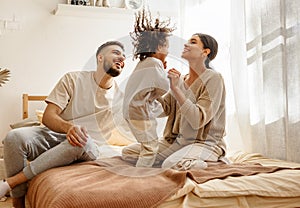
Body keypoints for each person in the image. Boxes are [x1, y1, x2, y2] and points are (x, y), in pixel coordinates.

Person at [0, 40, 126, 208]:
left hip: (87, 147)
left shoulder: (123, 99)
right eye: (116, 53)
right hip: (55, 137)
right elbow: (48, 117)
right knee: (13, 137)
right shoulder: (73, 79)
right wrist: (69, 128)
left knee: (81, 140)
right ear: (100, 57)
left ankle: (10, 182)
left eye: (124, 56)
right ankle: (18, 203)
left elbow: (151, 114)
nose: (121, 58)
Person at [122, 33, 229, 170]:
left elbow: (197, 120)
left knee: (170, 164)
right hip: (177, 143)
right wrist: (154, 82)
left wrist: (176, 89)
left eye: (193, 42)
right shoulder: (181, 79)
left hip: (204, 143)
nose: (186, 44)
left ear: (205, 52)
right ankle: (184, 158)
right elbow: (164, 108)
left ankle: (211, 163)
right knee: (129, 153)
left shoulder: (213, 78)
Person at [122, 9, 175, 167]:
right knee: (151, 147)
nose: (168, 51)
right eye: (167, 47)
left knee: (163, 110)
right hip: (139, 111)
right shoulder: (154, 63)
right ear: (159, 47)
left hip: (133, 109)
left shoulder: (144, 62)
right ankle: (141, 174)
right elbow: (163, 87)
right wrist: (166, 73)